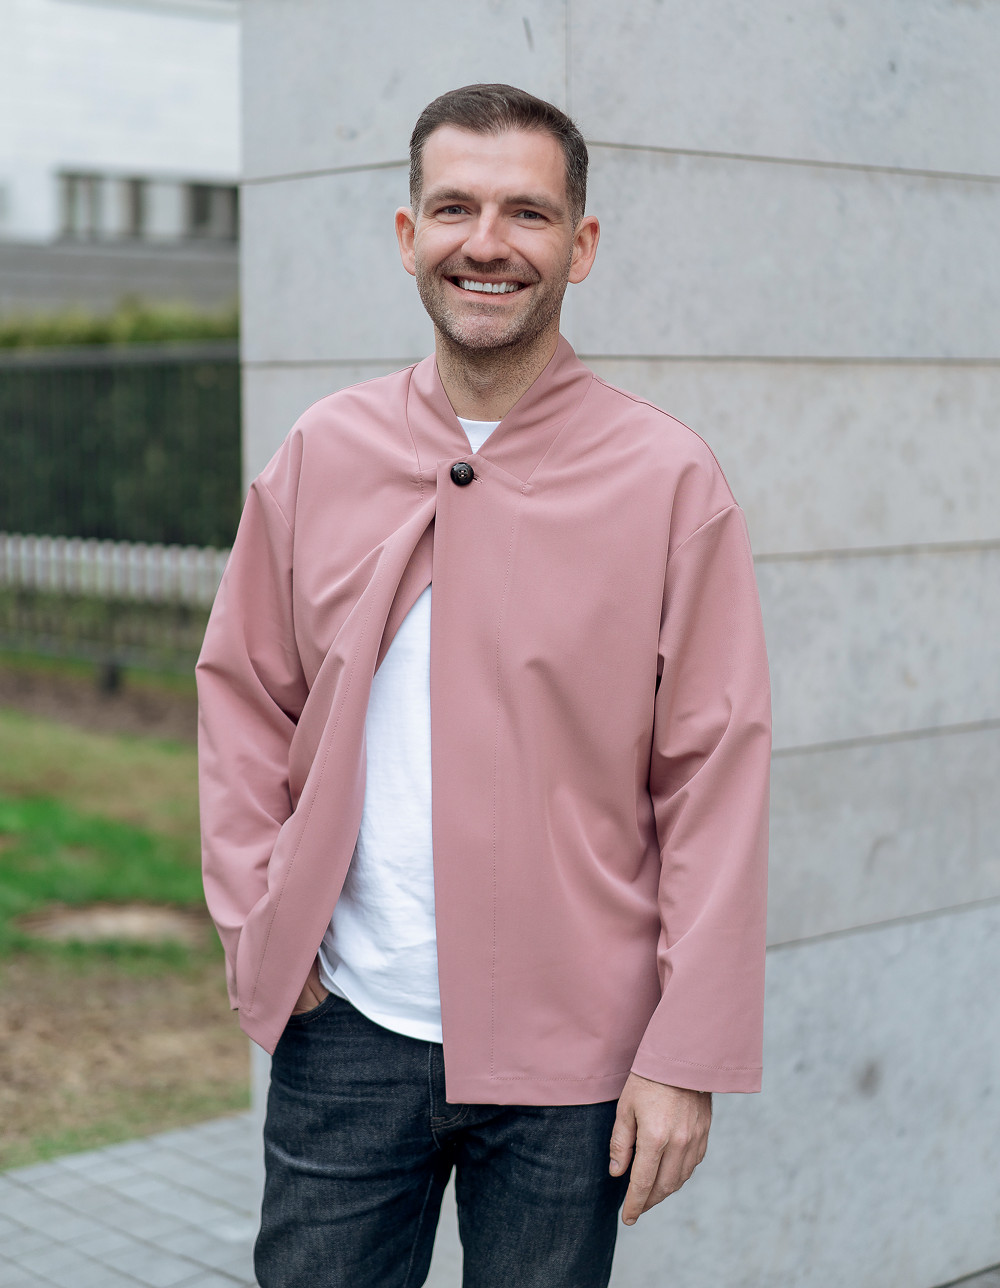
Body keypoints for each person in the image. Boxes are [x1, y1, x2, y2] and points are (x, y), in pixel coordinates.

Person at [197, 83, 770, 1288]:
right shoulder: (322, 451)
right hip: (346, 1029)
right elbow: (244, 695)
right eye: (455, 207)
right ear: (409, 235)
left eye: (528, 212)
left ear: (581, 245)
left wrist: (685, 1048)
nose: (487, 242)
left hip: (576, 1059)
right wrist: (261, 922)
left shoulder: (668, 480)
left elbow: (714, 778)